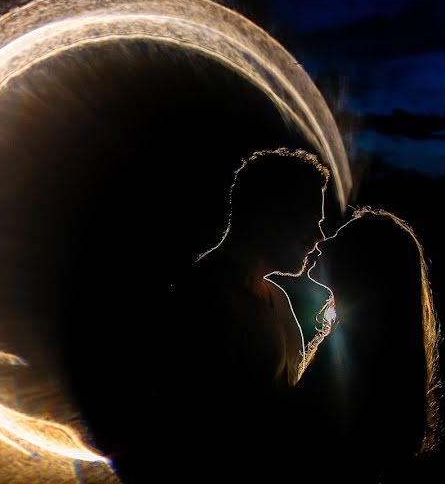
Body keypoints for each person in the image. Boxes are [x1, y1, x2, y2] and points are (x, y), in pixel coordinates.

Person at [128, 148, 330, 483]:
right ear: (272, 214)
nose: (319, 237)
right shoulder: (200, 298)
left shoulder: (277, 298)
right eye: (310, 221)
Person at [292, 207, 442, 481]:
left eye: (340, 239)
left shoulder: (354, 353)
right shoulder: (370, 343)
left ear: (363, 263)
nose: (323, 242)